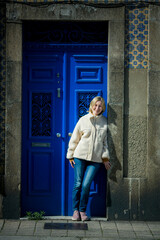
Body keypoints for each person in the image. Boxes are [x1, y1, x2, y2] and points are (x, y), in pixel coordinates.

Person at [66, 96, 111, 221]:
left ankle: (82, 210)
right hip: (80, 156)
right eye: (95, 105)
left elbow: (105, 143)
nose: (97, 108)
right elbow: (75, 138)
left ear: (103, 108)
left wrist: (105, 159)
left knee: (86, 185)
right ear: (91, 105)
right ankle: (75, 211)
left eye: (100, 106)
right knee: (78, 183)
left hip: (96, 160)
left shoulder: (104, 122)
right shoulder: (83, 120)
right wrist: (70, 155)